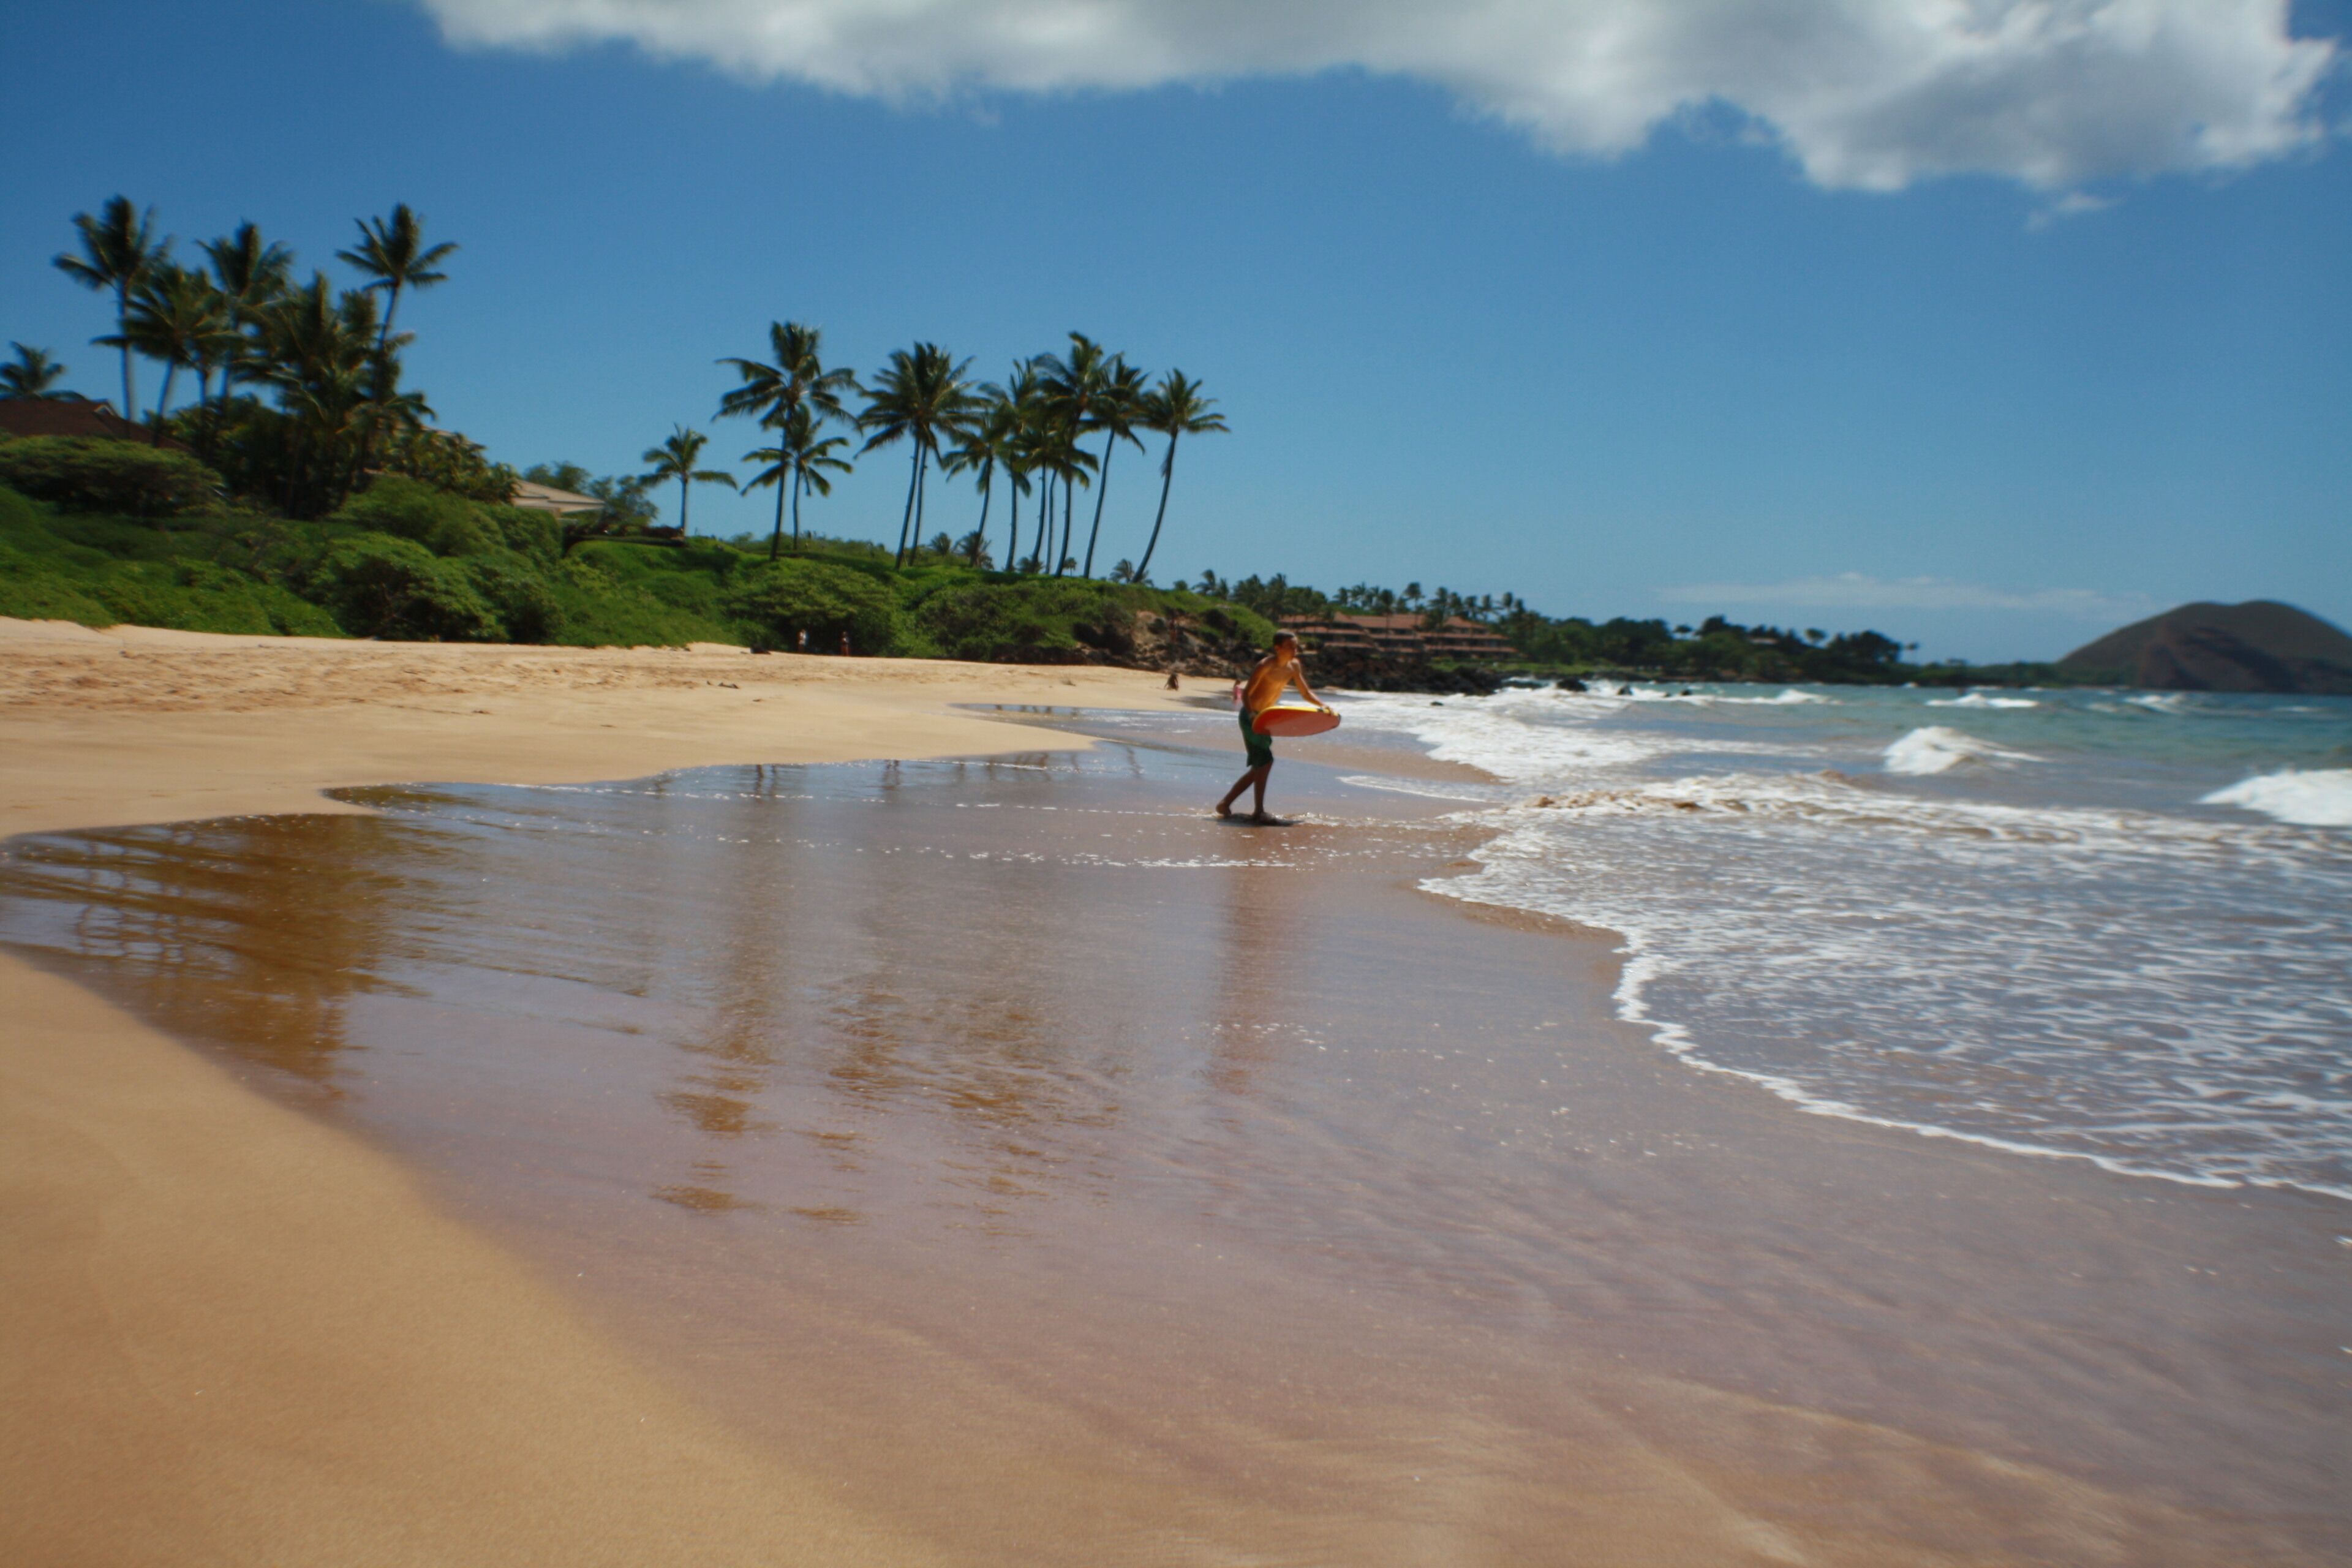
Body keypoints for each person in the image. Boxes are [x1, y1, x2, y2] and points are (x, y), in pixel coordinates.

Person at [1217, 631, 1330, 823]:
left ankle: (1226, 803)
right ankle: (1258, 811)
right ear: (1278, 648)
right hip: (1251, 717)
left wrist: (1323, 706)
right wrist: (1253, 714)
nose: (1295, 650)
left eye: (1296, 646)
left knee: (1260, 767)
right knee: (1265, 762)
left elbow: (1305, 692)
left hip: (1266, 719)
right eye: (1291, 646)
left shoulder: (1294, 666)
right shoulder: (1265, 665)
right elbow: (1247, 694)